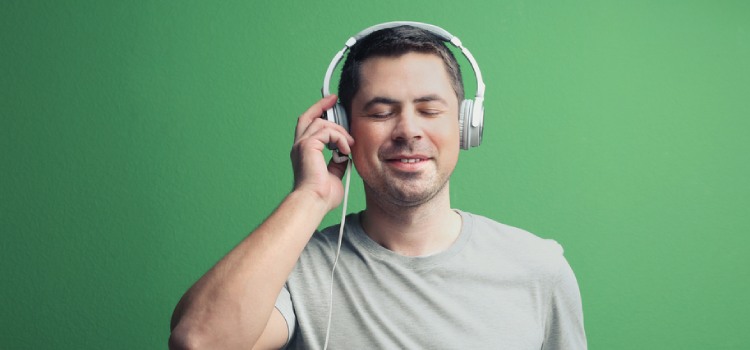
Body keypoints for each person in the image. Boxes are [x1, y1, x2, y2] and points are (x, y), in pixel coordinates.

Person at [169, 22, 586, 350]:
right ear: (343, 128)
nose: (408, 131)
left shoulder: (539, 270)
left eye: (429, 110)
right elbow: (198, 341)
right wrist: (309, 197)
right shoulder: (295, 270)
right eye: (381, 112)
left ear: (465, 126)